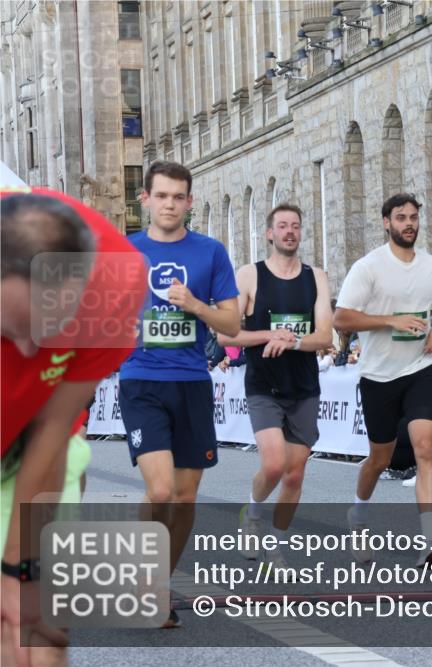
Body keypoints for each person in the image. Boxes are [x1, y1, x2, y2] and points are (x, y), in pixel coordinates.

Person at [1, 188, 146, 666]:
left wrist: (21, 569)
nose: (25, 352)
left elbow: (53, 428)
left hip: (29, 445)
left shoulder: (117, 281)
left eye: (45, 325)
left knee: (34, 632)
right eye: (11, 328)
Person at [118, 161, 240, 628]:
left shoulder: (210, 252)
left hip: (191, 383)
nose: (170, 204)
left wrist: (194, 305)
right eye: (161, 195)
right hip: (141, 380)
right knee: (162, 489)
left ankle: (157, 587)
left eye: (178, 197)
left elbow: (230, 325)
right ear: (145, 199)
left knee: (185, 499)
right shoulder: (125, 252)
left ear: (189, 202)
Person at [333, 193, 432, 567]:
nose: (409, 223)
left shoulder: (431, 266)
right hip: (379, 376)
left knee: (425, 447)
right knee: (379, 459)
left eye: (414, 217)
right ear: (386, 223)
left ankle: (430, 541)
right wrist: (390, 321)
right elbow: (342, 319)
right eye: (401, 217)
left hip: (421, 368)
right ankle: (359, 515)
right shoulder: (368, 267)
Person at [220, 203, 333, 567]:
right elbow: (225, 335)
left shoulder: (316, 277)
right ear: (269, 233)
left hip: (303, 386)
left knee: (295, 473)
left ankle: (277, 542)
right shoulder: (249, 275)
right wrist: (271, 333)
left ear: (300, 233)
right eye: (282, 226)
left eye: (295, 226)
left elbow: (325, 335)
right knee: (272, 466)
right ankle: (252, 515)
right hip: (263, 385)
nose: (289, 232)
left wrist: (294, 342)